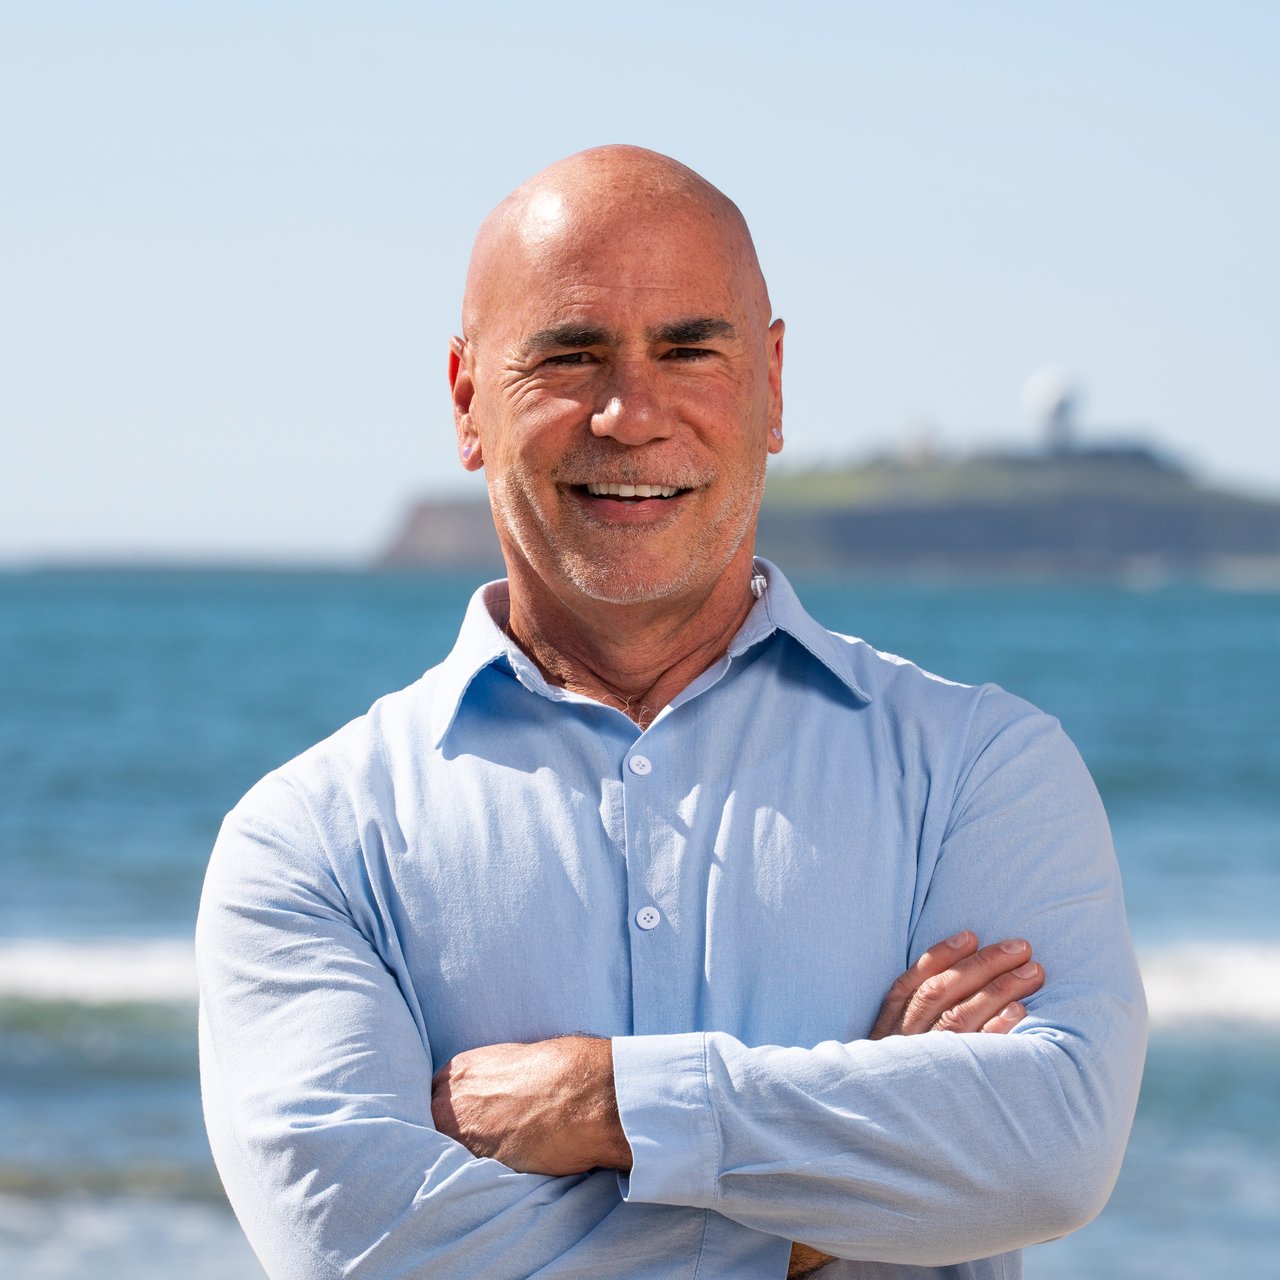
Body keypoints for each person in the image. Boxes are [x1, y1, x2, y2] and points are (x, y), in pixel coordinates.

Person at [196, 145, 1146, 1280]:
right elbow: (364, 1251)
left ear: (773, 384)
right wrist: (835, 1195)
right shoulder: (310, 841)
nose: (629, 412)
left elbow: (1049, 1150)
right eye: (570, 353)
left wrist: (608, 1100)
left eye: (688, 348)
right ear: (465, 400)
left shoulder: (977, 768)